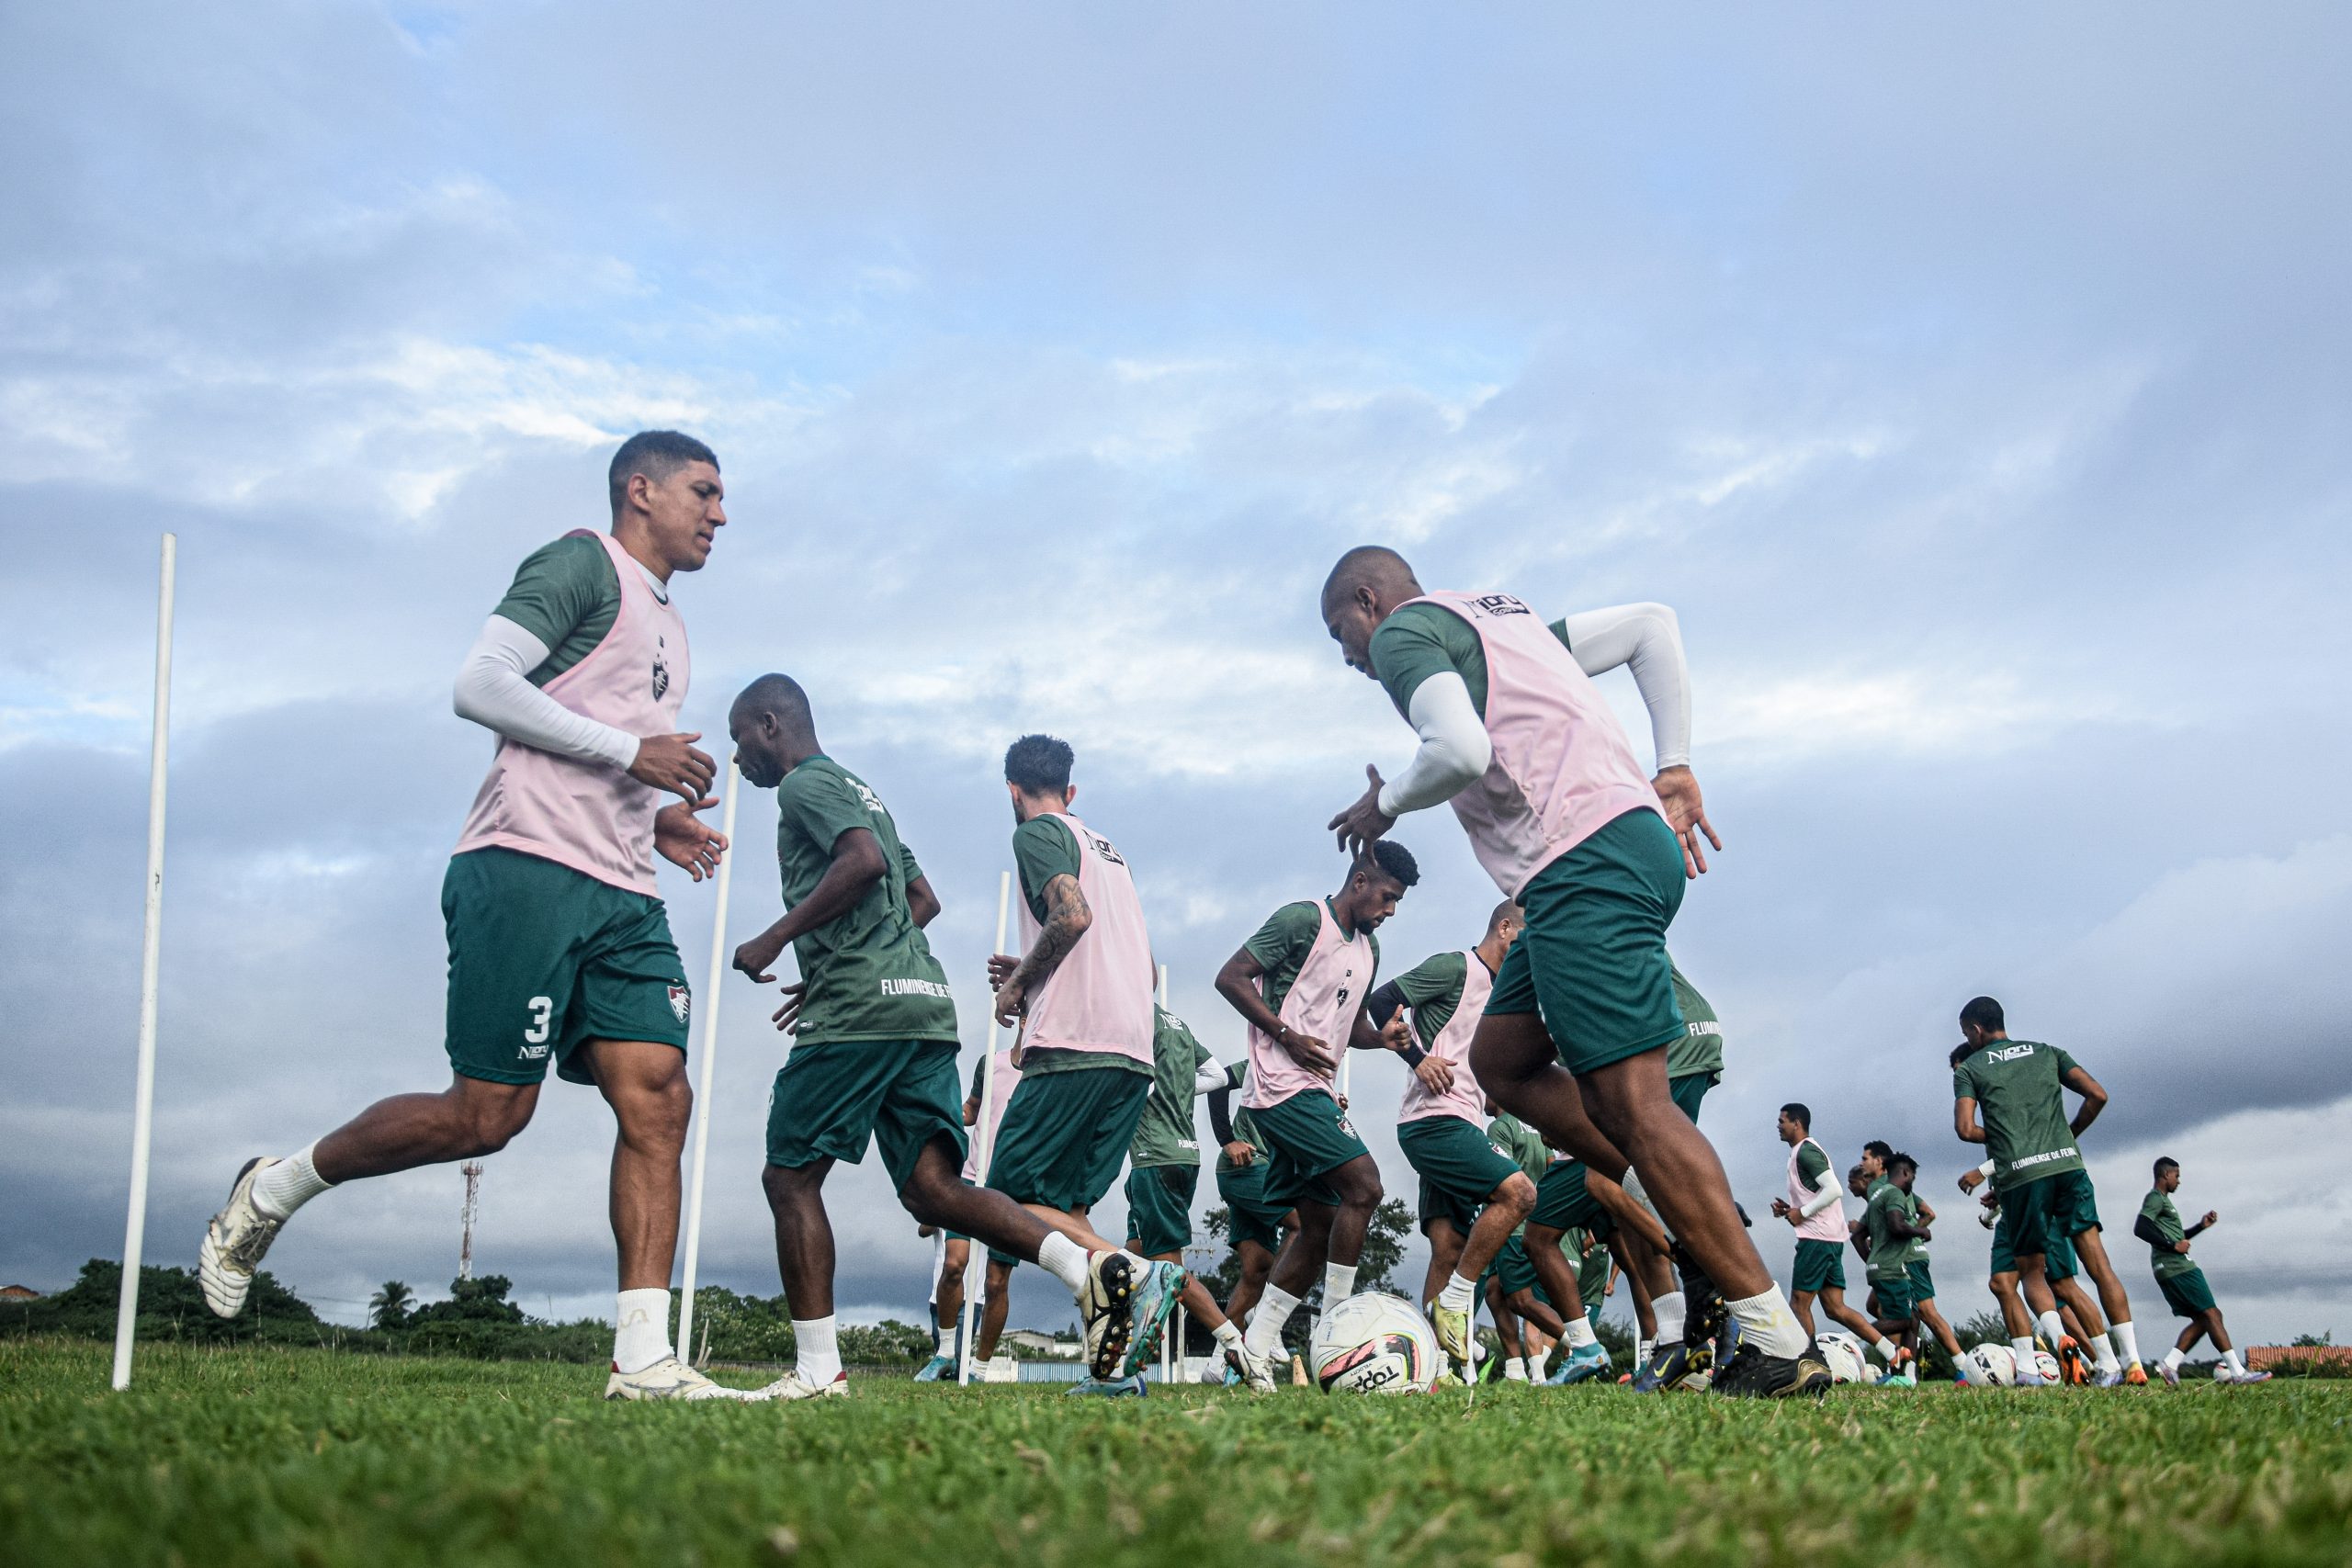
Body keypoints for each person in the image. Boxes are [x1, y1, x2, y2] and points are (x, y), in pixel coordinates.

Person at [198, 432, 740, 1399]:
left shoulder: (672, 623)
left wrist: (655, 816)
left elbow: (599, 743)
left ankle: (643, 1360)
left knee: (660, 1097)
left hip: (622, 889)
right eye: (703, 492)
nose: (719, 514)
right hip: (523, 867)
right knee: (487, 1119)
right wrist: (631, 754)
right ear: (639, 489)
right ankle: (272, 1188)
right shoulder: (580, 561)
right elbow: (479, 688)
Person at [1319, 549, 1824, 1398]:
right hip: (1603, 856)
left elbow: (1459, 749)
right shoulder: (1504, 626)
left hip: (1582, 861)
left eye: (1344, 636)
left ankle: (1778, 1341)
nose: (1352, 660)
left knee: (1635, 1105)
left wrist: (1385, 804)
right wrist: (1674, 761)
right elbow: (1650, 628)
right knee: (1503, 1060)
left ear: (1369, 602)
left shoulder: (1408, 631)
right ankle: (1691, 1225)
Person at [728, 679, 1156, 1400]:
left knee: (789, 1176)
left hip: (870, 1016)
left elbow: (861, 862)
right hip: (922, 1004)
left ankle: (815, 1370)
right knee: (936, 1189)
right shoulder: (869, 794)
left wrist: (777, 938)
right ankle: (1092, 1270)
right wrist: (846, 963)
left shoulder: (804, 785)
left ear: (771, 725)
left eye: (740, 738)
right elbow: (920, 897)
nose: (738, 758)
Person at [979, 734, 1192, 1396]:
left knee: (1004, 1200)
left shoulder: (1037, 831)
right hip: (1131, 1048)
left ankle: (1137, 1268)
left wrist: (1017, 989)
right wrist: (1036, 973)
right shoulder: (1110, 849)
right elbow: (1116, 946)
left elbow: (1071, 915)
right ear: (1072, 790)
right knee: (1066, 1209)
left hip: (1076, 1043)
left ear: (1013, 790)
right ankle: (1111, 1371)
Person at [1215, 842, 1419, 1366]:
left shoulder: (1368, 953)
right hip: (1281, 1086)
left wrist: (1384, 1038)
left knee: (1318, 1222)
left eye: (1397, 903)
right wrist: (1285, 1034)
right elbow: (1229, 977)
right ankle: (1339, 1328)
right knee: (1366, 1186)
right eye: (1387, 897)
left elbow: (1347, 1032)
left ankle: (1248, 1348)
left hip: (1313, 1088)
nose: (1390, 911)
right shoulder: (1303, 920)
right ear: (1359, 883)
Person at [1365, 900, 1541, 1371]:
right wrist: (1418, 1059)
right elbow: (1381, 1001)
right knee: (1520, 1194)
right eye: (1529, 937)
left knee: (1448, 1247)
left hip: (1463, 1121)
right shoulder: (1454, 967)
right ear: (1505, 928)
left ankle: (1432, 1364)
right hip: (1431, 1121)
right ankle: (1455, 1303)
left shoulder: (1506, 993)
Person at [1951, 996, 2146, 1387]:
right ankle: (2130, 1362)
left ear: (1974, 1030)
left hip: (2023, 1176)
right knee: (2099, 1266)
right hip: (2068, 1167)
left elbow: (1966, 1129)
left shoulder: (1970, 1067)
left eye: (1965, 1034)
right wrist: (2067, 1134)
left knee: (2032, 1275)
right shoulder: (2048, 1051)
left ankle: (2032, 1367)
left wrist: (2014, 1135)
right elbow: (2098, 1095)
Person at [1123, 1003, 1275, 1388]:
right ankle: (1123, 1349)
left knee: (1171, 1273)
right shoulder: (1178, 1023)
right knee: (1134, 1258)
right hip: (1185, 1155)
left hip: (1153, 1158)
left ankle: (1236, 1347)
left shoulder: (1130, 1014)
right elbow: (1216, 1076)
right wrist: (1175, 1089)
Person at [920, 1043, 1021, 1383]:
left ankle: (978, 1368)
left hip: (1011, 1186)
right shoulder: (990, 1063)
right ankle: (944, 1354)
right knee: (953, 1265)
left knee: (996, 1282)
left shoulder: (1050, 1068)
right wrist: (941, 1112)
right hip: (971, 1177)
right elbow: (971, 1110)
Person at [1770, 1104, 1895, 1366]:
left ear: (1797, 1123)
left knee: (1798, 1303)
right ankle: (1892, 1353)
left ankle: (1810, 1364)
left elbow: (1834, 1189)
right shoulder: (1800, 1153)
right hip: (1829, 1238)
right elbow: (1818, 1194)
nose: (1778, 1125)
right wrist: (1791, 1210)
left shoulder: (1806, 1152)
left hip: (1817, 1239)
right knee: (1835, 1308)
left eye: (1782, 1121)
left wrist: (1802, 1212)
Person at [2139, 1157, 2269, 1386]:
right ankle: (2237, 1372)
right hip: (2177, 1267)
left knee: (2205, 1318)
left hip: (2170, 1267)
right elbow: (2140, 1226)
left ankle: (2170, 1365)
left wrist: (2201, 1226)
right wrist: (2172, 1246)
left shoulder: (2164, 1202)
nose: (2179, 1181)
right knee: (2211, 1314)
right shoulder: (2155, 1198)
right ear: (2165, 1175)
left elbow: (2176, 1238)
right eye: (2177, 1176)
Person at [1205, 1061, 1298, 1334]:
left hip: (1268, 1169)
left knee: (1258, 1267)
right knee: (1303, 1225)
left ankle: (1222, 1360)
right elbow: (1217, 1081)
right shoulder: (1264, 1059)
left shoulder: (1312, 1073)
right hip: (1246, 1166)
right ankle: (1268, 1311)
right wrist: (1227, 1139)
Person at [1887, 1155, 1970, 1379]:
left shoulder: (1890, 1189)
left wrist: (1911, 1233)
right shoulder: (1889, 1190)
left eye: (1866, 1159)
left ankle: (1964, 1367)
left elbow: (1928, 1214)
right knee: (1879, 1306)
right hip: (1896, 1258)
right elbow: (1928, 1213)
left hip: (1910, 1256)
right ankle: (1903, 1360)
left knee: (1926, 1312)